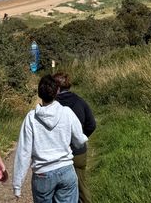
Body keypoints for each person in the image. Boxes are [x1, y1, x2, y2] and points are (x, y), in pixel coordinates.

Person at [13, 74, 87, 203]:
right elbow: (79, 140)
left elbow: (23, 152)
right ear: (57, 91)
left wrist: (17, 185)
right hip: (66, 171)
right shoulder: (67, 112)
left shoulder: (31, 118)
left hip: (42, 175)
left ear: (39, 93)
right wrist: (81, 139)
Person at [52, 72, 96, 203]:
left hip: (59, 153)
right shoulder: (80, 101)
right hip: (78, 152)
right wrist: (80, 138)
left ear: (56, 87)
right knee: (82, 188)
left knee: (59, 192)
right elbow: (92, 124)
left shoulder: (53, 105)